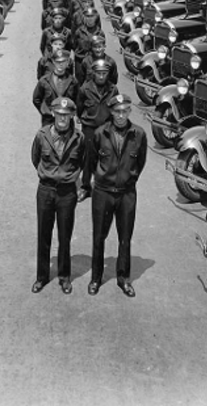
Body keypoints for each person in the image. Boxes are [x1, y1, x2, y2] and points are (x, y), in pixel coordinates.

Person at [80, 94, 147, 298]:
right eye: (117, 111)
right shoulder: (100, 134)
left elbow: (140, 162)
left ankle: (123, 279)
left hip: (126, 194)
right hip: (103, 193)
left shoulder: (139, 134)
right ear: (111, 112)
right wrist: (99, 179)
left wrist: (129, 178)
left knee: (125, 238)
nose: (120, 115)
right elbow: (90, 162)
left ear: (129, 111)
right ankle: (96, 278)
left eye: (124, 111)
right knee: (99, 237)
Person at [31, 97, 86, 295]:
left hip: (66, 192)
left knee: (65, 236)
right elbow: (35, 158)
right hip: (45, 190)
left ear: (72, 116)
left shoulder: (79, 138)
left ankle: (64, 277)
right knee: (43, 234)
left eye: (67, 115)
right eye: (59, 114)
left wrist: (73, 181)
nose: (63, 118)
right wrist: (49, 174)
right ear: (53, 113)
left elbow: (83, 160)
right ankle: (42, 276)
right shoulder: (42, 135)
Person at [76, 58, 119, 187]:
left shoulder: (113, 90)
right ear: (93, 73)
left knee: (106, 156)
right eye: (98, 73)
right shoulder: (85, 89)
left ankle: (102, 184)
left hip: (106, 129)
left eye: (104, 73)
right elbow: (79, 107)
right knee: (88, 157)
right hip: (89, 128)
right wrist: (83, 119)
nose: (101, 76)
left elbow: (116, 109)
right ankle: (85, 186)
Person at [33, 50, 79, 126]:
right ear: (53, 62)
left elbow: (78, 100)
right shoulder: (44, 81)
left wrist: (72, 112)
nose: (60, 64)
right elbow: (36, 99)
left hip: (66, 118)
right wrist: (45, 111)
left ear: (67, 63)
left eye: (63, 62)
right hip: (49, 119)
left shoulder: (73, 81)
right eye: (58, 62)